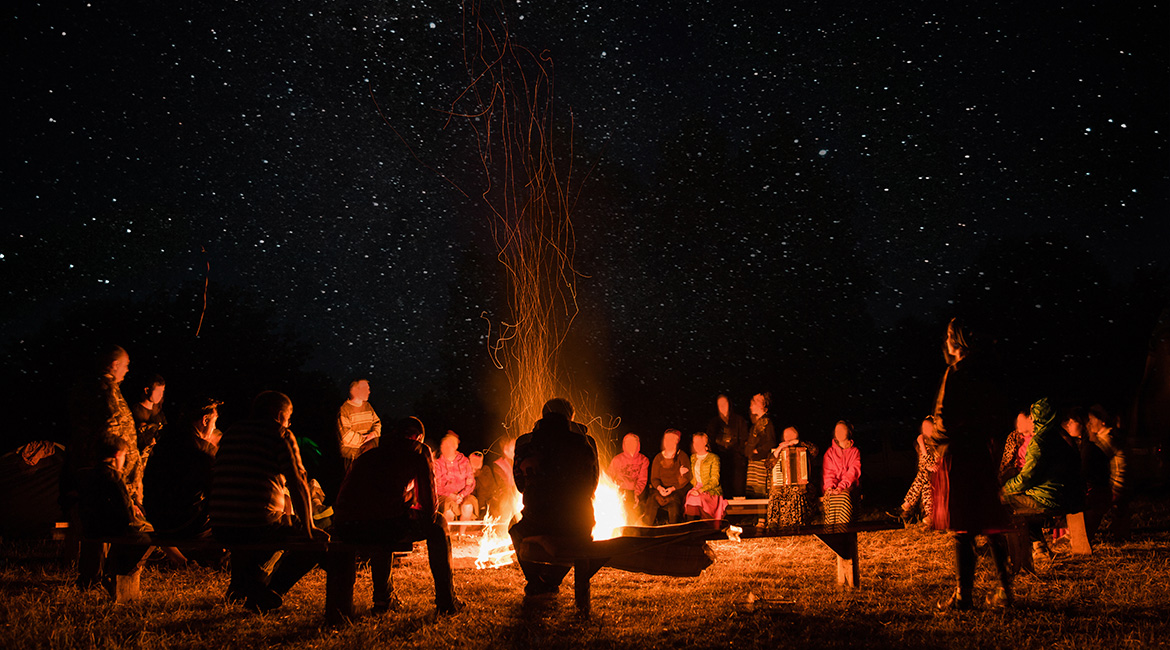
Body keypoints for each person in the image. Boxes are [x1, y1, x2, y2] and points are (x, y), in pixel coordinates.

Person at [209, 391, 328, 613]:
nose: (289, 421)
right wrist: (310, 526)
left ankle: (243, 586)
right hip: (257, 525)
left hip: (220, 526)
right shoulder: (279, 434)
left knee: (256, 530)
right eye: (288, 416)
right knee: (318, 543)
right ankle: (271, 592)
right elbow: (297, 482)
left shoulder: (232, 433)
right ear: (279, 413)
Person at [332, 417, 462, 614]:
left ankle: (383, 601)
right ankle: (447, 602)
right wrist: (415, 508)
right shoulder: (417, 449)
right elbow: (429, 505)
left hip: (346, 525)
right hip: (380, 524)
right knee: (438, 523)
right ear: (418, 436)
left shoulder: (369, 447)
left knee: (384, 519)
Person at [928, 318, 1013, 610]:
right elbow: (999, 415)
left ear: (957, 341)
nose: (946, 339)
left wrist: (935, 439)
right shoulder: (989, 373)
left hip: (960, 457)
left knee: (963, 529)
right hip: (981, 453)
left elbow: (944, 419)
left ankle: (964, 596)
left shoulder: (956, 373)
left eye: (950, 334)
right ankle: (1006, 591)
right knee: (990, 525)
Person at [64, 345, 143, 589]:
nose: (128, 369)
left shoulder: (102, 390)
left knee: (97, 527)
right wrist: (120, 467)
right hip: (108, 472)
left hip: (104, 471)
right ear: (113, 365)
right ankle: (106, 576)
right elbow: (111, 429)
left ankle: (92, 577)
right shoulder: (103, 392)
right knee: (109, 525)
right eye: (126, 364)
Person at [510, 397, 600, 596]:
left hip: (536, 521)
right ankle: (550, 579)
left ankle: (535, 580)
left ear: (543, 416)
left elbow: (520, 486)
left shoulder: (525, 444)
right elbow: (592, 485)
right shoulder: (585, 442)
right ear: (570, 417)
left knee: (515, 528)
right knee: (583, 535)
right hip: (576, 523)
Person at [1002, 398, 1086, 559]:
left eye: (1034, 416)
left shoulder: (1040, 442)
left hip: (1050, 498)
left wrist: (1006, 488)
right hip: (1071, 495)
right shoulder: (1062, 437)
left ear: (1040, 417)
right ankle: (1039, 546)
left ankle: (1019, 557)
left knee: (1006, 502)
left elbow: (1027, 477)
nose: (1031, 419)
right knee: (1022, 501)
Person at [76, 436, 154, 598]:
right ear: (118, 455)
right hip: (112, 528)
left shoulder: (86, 475)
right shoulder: (114, 477)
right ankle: (118, 571)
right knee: (149, 536)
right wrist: (134, 520)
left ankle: (106, 573)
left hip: (90, 526)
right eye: (124, 456)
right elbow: (125, 513)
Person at [143, 399, 221, 547]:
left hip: (156, 521)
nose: (215, 427)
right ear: (205, 420)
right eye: (214, 422)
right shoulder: (203, 450)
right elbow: (216, 491)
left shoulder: (164, 441)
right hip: (185, 525)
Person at [1066, 407, 1111, 541]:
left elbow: (1084, 474)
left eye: (1072, 421)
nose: (1068, 424)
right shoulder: (1083, 446)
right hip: (1095, 493)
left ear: (1083, 424)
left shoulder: (1089, 449)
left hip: (1095, 496)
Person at [1087, 403, 1129, 537]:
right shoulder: (1110, 436)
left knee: (1093, 505)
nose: (1090, 423)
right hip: (1120, 482)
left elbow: (1095, 459)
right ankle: (1120, 530)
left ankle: (1086, 533)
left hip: (1116, 484)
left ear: (1103, 421)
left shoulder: (1107, 439)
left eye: (1093, 419)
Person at [766, 426, 819, 530]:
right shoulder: (778, 450)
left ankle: (796, 526)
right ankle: (776, 528)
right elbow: (768, 464)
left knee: (796, 493)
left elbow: (815, 450)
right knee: (775, 495)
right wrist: (780, 448)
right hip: (782, 486)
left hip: (802, 487)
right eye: (787, 438)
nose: (789, 440)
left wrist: (797, 442)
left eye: (792, 437)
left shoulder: (805, 449)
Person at [897, 416, 939, 524]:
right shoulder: (923, 444)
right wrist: (922, 447)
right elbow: (922, 464)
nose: (926, 431)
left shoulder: (938, 444)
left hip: (940, 472)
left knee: (923, 475)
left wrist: (928, 464)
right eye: (924, 428)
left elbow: (937, 462)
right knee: (925, 480)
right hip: (928, 475)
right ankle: (929, 515)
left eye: (928, 427)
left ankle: (907, 504)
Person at [643, 429, 690, 525]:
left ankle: (673, 530)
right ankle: (646, 530)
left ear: (676, 441)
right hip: (661, 490)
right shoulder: (658, 457)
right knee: (652, 502)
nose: (668, 442)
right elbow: (654, 478)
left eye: (672, 439)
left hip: (676, 490)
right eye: (666, 439)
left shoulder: (682, 456)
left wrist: (673, 487)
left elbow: (686, 478)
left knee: (674, 506)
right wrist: (660, 488)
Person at [706, 395, 749, 497]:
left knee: (738, 487)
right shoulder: (713, 423)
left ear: (729, 404)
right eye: (720, 404)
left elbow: (744, 439)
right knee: (725, 487)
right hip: (721, 460)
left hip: (737, 460)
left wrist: (735, 446)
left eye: (724, 403)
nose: (722, 406)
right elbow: (710, 441)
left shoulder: (739, 420)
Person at [337, 379, 381, 473]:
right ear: (356, 390)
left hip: (369, 455)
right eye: (366, 389)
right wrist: (365, 441)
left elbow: (377, 423)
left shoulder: (368, 406)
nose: (369, 392)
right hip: (352, 458)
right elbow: (345, 436)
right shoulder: (344, 410)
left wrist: (373, 434)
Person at [822, 421, 861, 525]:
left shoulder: (854, 452)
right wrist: (830, 487)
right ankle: (832, 529)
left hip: (849, 486)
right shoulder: (829, 453)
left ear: (848, 432)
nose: (839, 433)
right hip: (833, 487)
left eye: (842, 430)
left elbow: (853, 472)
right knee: (831, 497)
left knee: (844, 497)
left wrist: (841, 487)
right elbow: (828, 473)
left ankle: (845, 527)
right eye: (837, 431)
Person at [434, 432, 477, 522]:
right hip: (445, 496)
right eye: (443, 445)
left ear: (454, 447)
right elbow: (437, 486)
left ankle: (462, 534)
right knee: (449, 510)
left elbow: (470, 481)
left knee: (468, 507)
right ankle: (447, 534)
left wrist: (462, 494)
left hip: (463, 495)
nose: (445, 448)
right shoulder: (438, 464)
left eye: (448, 445)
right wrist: (452, 496)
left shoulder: (464, 461)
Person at [608, 433, 649, 522]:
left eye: (633, 442)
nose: (630, 445)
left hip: (635, 491)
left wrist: (636, 493)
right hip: (620, 490)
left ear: (638, 444)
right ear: (624, 444)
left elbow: (642, 479)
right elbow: (609, 477)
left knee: (632, 513)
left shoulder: (643, 460)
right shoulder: (617, 459)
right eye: (628, 442)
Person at [685, 432, 726, 520]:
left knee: (696, 499)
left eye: (699, 442)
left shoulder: (713, 458)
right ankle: (691, 526)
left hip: (711, 490)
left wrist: (700, 490)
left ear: (705, 443)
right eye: (694, 442)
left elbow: (715, 480)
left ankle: (707, 525)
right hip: (696, 488)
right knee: (691, 498)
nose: (696, 445)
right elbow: (691, 477)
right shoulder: (692, 458)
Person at [744, 393, 777, 498]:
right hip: (754, 462)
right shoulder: (757, 424)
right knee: (753, 492)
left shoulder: (766, 423)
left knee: (759, 492)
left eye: (753, 403)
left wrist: (758, 450)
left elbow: (771, 442)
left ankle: (761, 513)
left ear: (761, 405)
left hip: (760, 464)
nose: (750, 407)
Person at [130, 374, 167, 464]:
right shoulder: (135, 411)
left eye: (162, 392)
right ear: (147, 390)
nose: (160, 395)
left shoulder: (158, 412)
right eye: (158, 392)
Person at [998, 409, 1034, 485]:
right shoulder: (1014, 437)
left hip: (1030, 474)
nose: (1018, 425)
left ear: (1030, 419)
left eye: (1021, 422)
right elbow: (1006, 461)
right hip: (1016, 473)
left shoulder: (1037, 438)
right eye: (1018, 422)